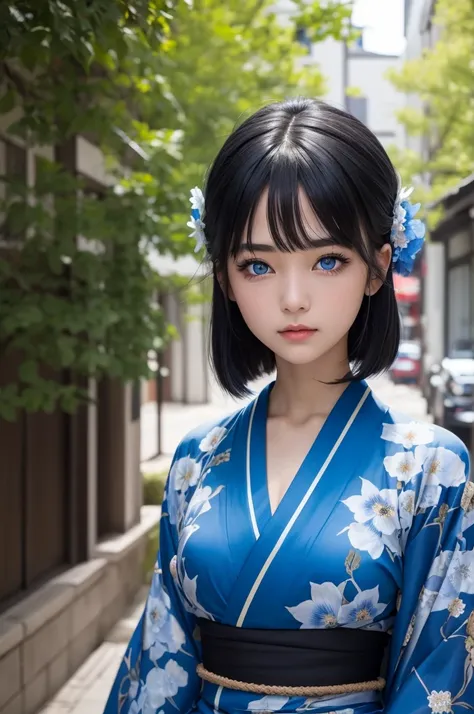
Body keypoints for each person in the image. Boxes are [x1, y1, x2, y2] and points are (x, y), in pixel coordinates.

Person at [103, 98, 474, 714]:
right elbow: (163, 654)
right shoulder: (198, 457)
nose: (293, 298)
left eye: (328, 260)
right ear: (224, 275)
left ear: (379, 267)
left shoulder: (432, 466)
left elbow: (440, 672)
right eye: (258, 265)